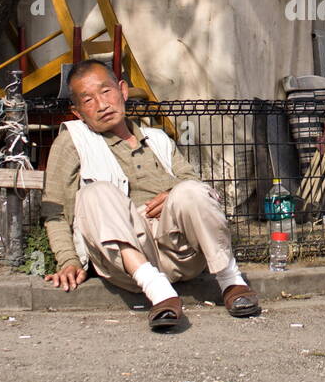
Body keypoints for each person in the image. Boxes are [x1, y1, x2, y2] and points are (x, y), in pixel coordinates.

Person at [41, 60, 261, 331]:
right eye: (88, 100)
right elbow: (55, 209)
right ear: (77, 112)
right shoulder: (73, 140)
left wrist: (172, 194)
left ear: (122, 90)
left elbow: (191, 182)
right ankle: (161, 294)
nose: (101, 105)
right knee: (94, 193)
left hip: (178, 248)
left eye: (106, 91)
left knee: (192, 190)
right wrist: (69, 260)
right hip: (125, 258)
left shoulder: (157, 138)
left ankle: (231, 282)